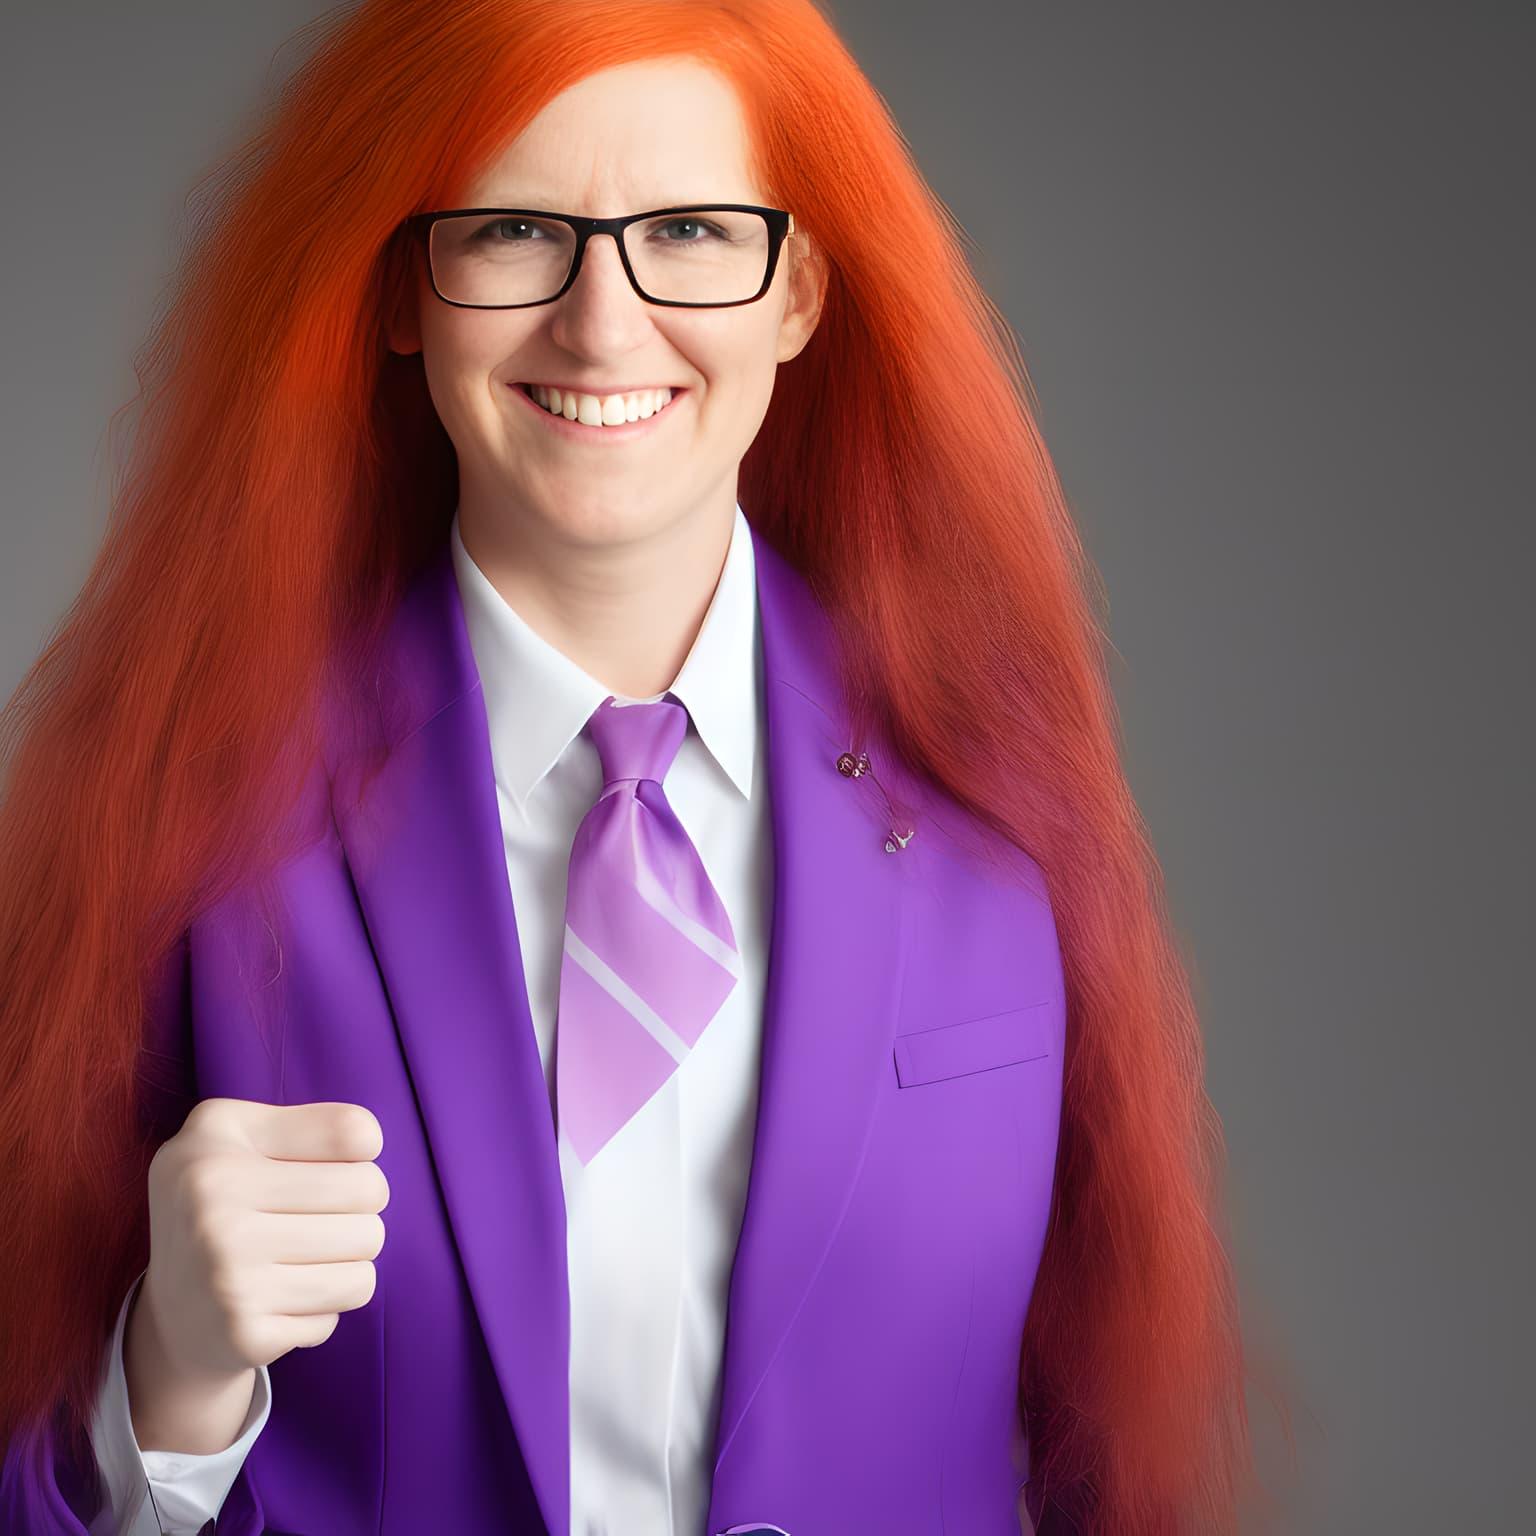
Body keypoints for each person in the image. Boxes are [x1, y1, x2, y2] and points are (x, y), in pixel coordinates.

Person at [0, 2, 1275, 1533]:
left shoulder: (998, 805)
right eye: (516, 231)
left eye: (688, 230)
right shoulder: (194, 823)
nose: (602, 324)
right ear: (405, 292)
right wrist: (167, 1388)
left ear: (800, 292)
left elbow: (1104, 1447)